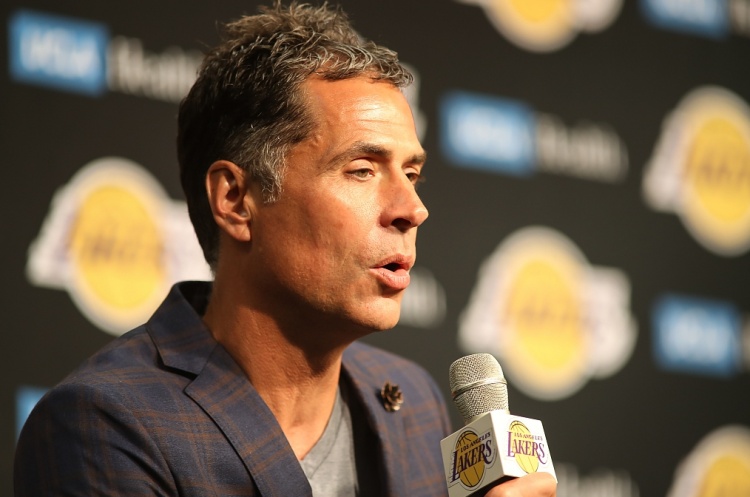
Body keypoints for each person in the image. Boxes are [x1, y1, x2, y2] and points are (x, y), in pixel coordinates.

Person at [14, 2, 556, 496]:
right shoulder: (105, 424)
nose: (412, 209)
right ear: (236, 199)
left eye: (411, 174)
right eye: (362, 170)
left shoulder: (412, 401)